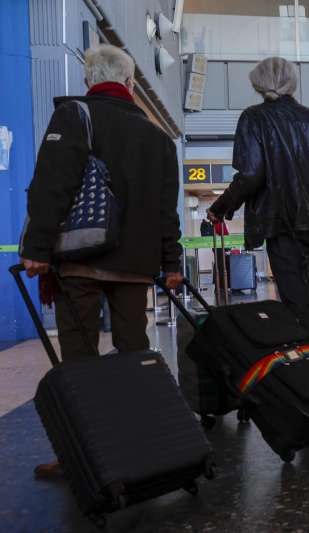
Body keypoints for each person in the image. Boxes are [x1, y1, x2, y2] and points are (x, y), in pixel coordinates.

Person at [19, 44, 183, 478]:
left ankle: (86, 452)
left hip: (81, 261)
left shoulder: (76, 115)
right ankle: (147, 443)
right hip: (135, 266)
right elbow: (168, 209)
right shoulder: (159, 138)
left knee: (81, 357)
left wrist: (36, 248)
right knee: (135, 350)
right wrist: (172, 262)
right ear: (130, 84)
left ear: (90, 79)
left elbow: (51, 185)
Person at [206, 56, 309, 363]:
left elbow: (251, 174)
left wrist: (221, 207)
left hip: (281, 225)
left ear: (258, 84)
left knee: (296, 303)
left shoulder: (254, 118)